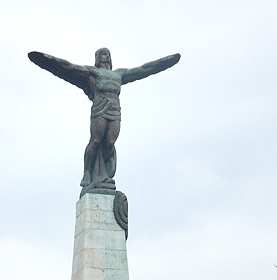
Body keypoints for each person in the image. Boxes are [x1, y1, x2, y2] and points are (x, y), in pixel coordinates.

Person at [28, 48, 181, 194]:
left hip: (114, 108)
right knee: (95, 141)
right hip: (100, 107)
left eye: (108, 53)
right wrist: (46, 59)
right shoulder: (92, 72)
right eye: (102, 53)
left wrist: (166, 61)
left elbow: (144, 69)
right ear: (97, 58)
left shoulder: (119, 74)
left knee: (109, 143)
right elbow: (68, 67)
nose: (106, 56)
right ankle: (88, 173)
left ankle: (105, 175)